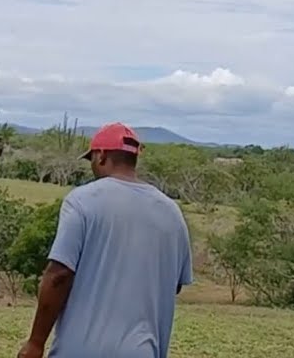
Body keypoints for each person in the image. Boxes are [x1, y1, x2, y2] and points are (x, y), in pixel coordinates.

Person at [17, 122, 193, 358]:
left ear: (100, 156)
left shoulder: (82, 200)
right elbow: (175, 285)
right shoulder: (172, 212)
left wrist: (35, 343)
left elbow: (59, 275)